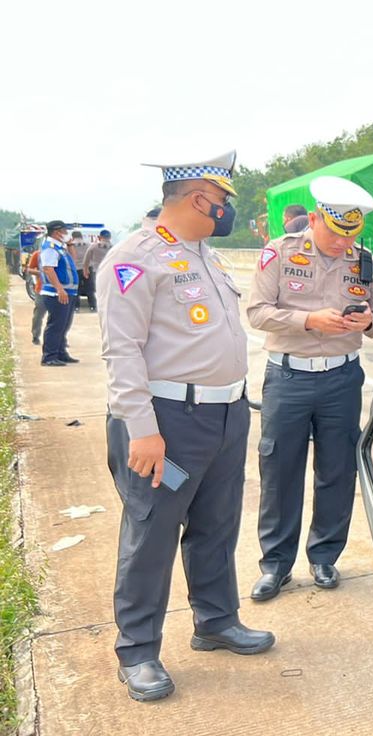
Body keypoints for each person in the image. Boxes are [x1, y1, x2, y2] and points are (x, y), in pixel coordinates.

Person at [97, 151, 274, 703]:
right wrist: (142, 430)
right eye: (221, 202)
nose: (225, 212)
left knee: (216, 526)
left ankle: (216, 621)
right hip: (167, 424)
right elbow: (121, 351)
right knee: (151, 535)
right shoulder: (134, 259)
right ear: (199, 199)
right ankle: (138, 651)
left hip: (225, 415)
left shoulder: (205, 256)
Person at [246, 176, 373, 601]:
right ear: (313, 219)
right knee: (279, 472)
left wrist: (369, 323)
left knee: (336, 469)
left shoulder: (366, 263)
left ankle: (325, 556)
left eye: (349, 236)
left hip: (341, 379)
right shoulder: (279, 252)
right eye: (332, 233)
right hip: (288, 377)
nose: (339, 244)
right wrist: (308, 321)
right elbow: (257, 312)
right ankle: (275, 565)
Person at [39, 220, 79, 366]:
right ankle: (49, 356)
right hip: (56, 293)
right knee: (56, 325)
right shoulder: (50, 248)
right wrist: (59, 289)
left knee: (64, 325)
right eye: (64, 231)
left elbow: (73, 262)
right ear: (57, 232)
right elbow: (48, 269)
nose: (66, 234)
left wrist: (70, 245)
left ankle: (61, 353)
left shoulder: (60, 247)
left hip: (68, 292)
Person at [79, 229, 112, 312]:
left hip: (96, 271)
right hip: (110, 272)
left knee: (97, 289)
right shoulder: (114, 247)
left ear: (99, 237)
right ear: (110, 237)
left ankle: (99, 306)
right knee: (108, 289)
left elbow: (86, 259)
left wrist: (85, 269)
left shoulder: (93, 246)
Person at [26, 240, 47, 345]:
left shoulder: (60, 255)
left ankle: (57, 339)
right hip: (41, 289)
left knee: (57, 317)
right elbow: (29, 269)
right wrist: (40, 273)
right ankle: (35, 335)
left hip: (57, 291)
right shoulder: (38, 254)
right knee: (39, 314)